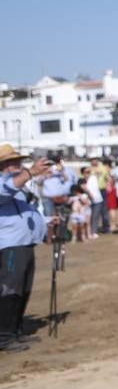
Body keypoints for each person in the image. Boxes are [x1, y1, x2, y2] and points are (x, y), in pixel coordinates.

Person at [0, 146, 54, 353]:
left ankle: (14, 331)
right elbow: (5, 191)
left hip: (23, 244)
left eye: (18, 162)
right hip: (9, 245)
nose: (17, 165)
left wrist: (47, 220)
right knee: (9, 291)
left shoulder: (18, 187)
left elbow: (26, 213)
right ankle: (4, 337)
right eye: (12, 162)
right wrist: (31, 172)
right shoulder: (6, 184)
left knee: (22, 291)